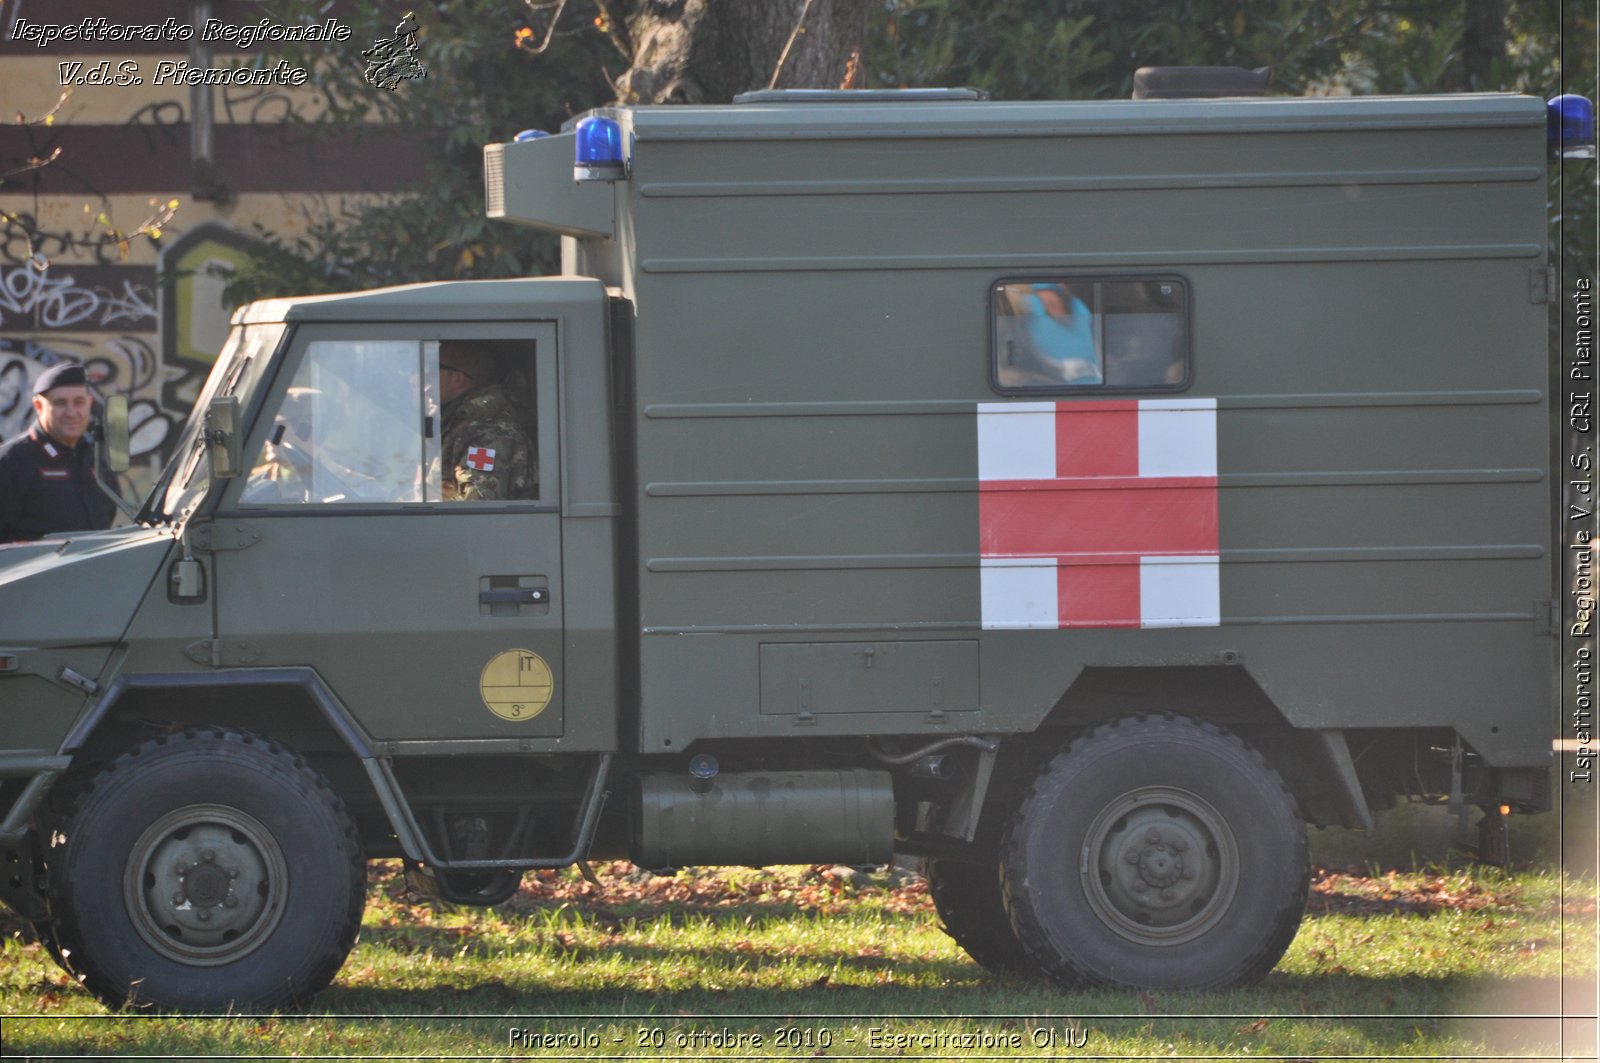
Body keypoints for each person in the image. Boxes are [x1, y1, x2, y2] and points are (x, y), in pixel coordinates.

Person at [0, 362, 117, 541]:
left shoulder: (96, 457)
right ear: (39, 407)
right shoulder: (11, 462)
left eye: (79, 402)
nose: (71, 413)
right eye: (60, 403)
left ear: (89, 403)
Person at [437, 342, 537, 501]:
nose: (415, 378)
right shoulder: (454, 423)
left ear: (458, 379)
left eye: (429, 369)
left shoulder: (490, 433)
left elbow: (479, 509)